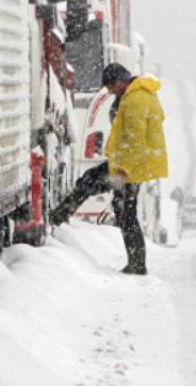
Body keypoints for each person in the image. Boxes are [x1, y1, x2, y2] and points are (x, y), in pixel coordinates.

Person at [50, 63, 168, 275]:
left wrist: (123, 171)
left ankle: (56, 219)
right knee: (123, 209)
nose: (110, 92)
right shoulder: (133, 95)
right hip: (130, 163)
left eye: (111, 87)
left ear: (120, 81)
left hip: (129, 167)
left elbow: (135, 141)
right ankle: (137, 263)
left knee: (95, 186)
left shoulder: (135, 100)